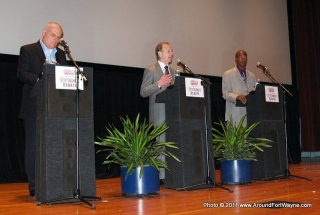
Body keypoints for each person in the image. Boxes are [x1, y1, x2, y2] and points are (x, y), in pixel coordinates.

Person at [17, 22, 67, 197]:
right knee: (33, 147)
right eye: (53, 35)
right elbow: (21, 73)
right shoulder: (28, 50)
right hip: (33, 107)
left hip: (55, 108)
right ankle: (34, 185)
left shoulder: (61, 55)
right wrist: (41, 77)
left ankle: (52, 181)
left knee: (53, 145)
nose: (56, 40)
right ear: (44, 33)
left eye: (59, 37)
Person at [140, 42, 178, 182]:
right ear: (159, 53)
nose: (172, 53)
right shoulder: (151, 70)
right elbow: (143, 92)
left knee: (173, 141)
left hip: (174, 113)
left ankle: (173, 172)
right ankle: (161, 176)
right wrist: (159, 84)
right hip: (159, 112)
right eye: (168, 50)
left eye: (172, 51)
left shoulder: (175, 73)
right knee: (161, 143)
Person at [222, 50, 256, 126]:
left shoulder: (252, 76)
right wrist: (237, 97)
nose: (243, 59)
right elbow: (225, 94)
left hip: (249, 115)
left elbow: (254, 93)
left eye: (245, 57)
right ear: (236, 59)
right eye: (241, 57)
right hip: (235, 115)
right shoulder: (228, 74)